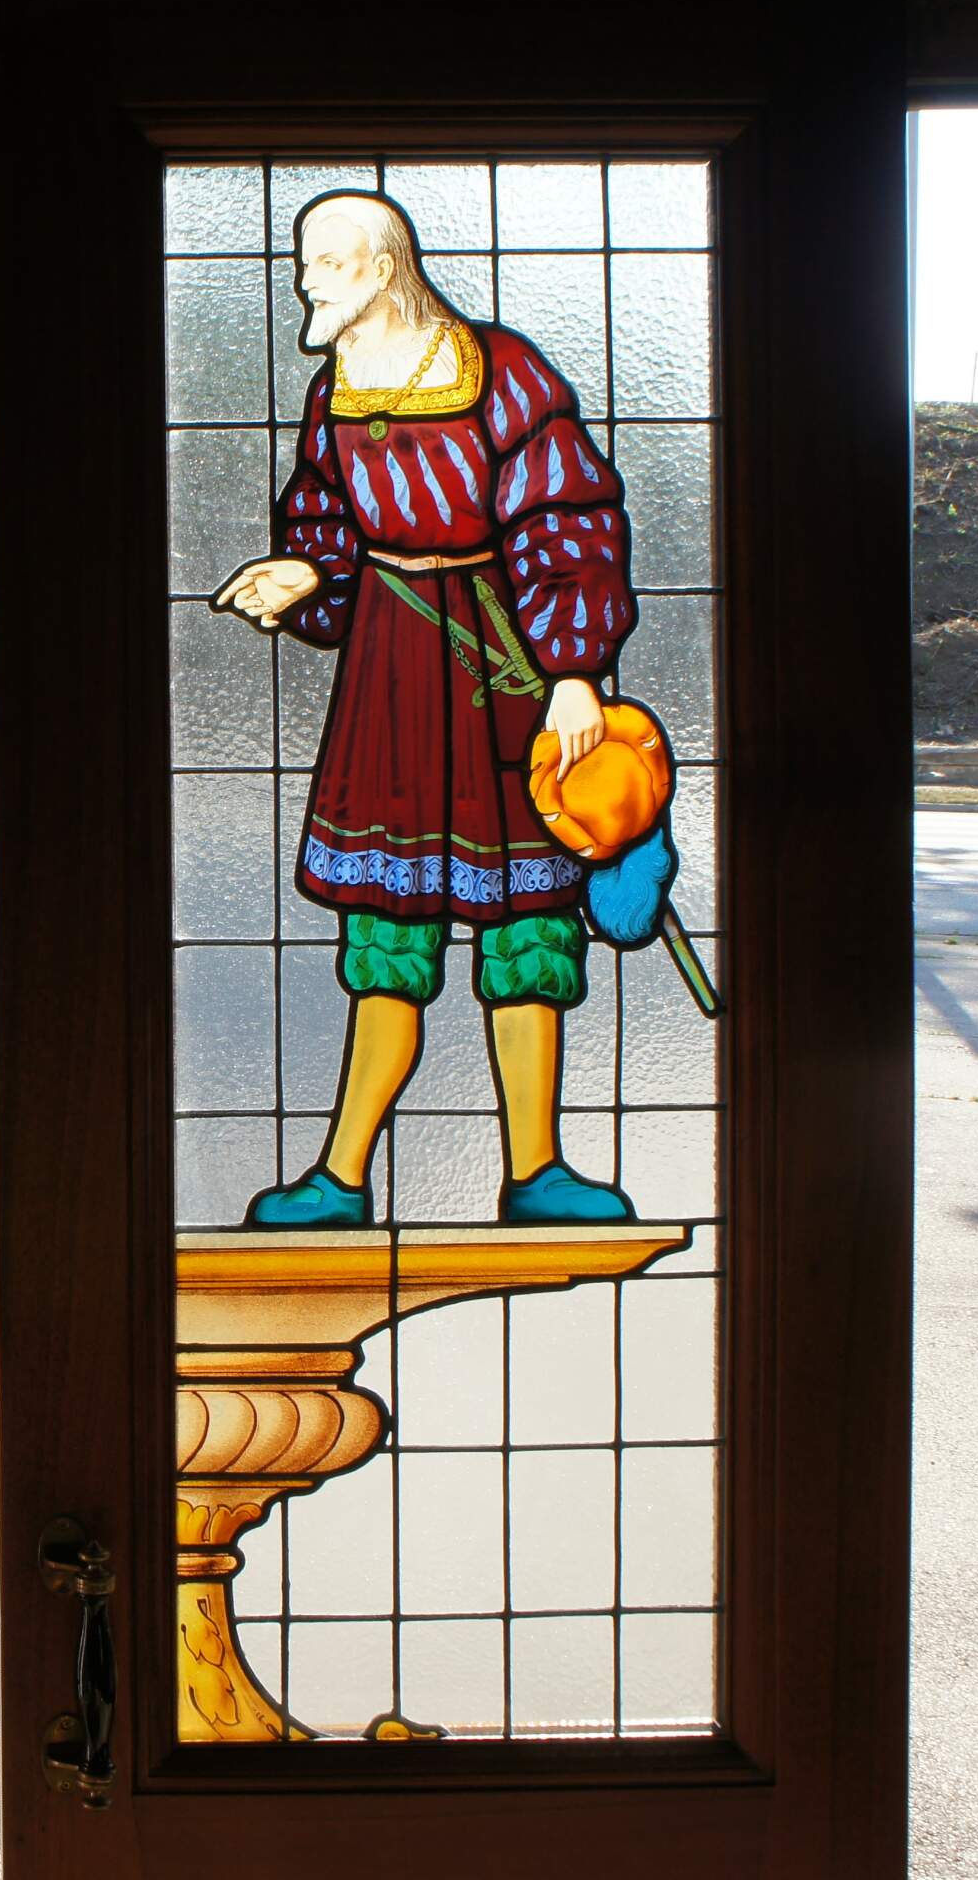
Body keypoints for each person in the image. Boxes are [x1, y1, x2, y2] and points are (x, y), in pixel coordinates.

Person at [213, 191, 637, 1226]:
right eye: (304, 261)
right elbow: (324, 519)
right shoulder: (336, 389)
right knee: (385, 934)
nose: (306, 281)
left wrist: (572, 670)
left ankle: (537, 1171)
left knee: (528, 924)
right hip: (391, 673)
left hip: (501, 664)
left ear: (380, 266)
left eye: (324, 261)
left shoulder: (501, 371)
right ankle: (340, 1176)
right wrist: (306, 575)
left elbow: (566, 513)